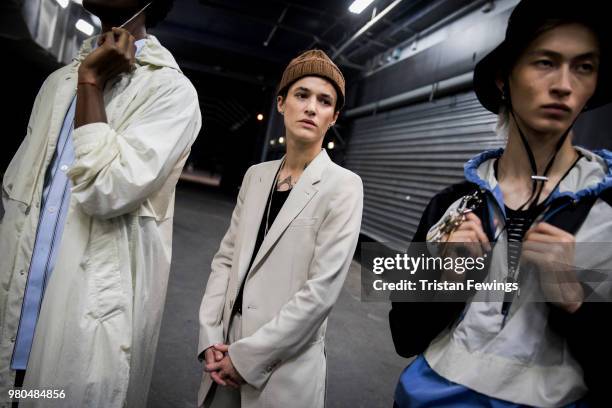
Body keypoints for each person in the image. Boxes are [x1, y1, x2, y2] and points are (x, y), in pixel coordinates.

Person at [389, 0, 612, 406]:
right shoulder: (450, 205)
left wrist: (577, 301)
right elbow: (402, 334)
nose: (564, 84)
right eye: (545, 62)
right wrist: (446, 283)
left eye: (584, 66)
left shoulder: (607, 215)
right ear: (503, 79)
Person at [0, 0, 201, 406]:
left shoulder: (172, 92)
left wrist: (91, 83)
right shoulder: (59, 82)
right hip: (18, 310)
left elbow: (107, 188)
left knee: (57, 392)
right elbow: (20, 196)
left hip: (81, 315)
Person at [197, 50, 363, 408]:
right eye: (302, 95)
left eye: (324, 101)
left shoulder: (344, 186)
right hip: (224, 346)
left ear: (333, 116)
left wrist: (246, 359)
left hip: (281, 364)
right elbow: (226, 259)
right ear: (281, 103)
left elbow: (320, 293)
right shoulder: (256, 176)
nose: (311, 107)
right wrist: (209, 335)